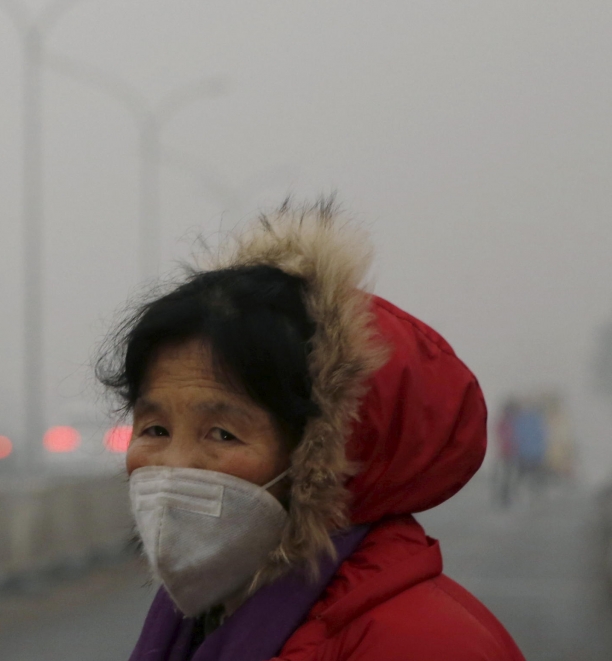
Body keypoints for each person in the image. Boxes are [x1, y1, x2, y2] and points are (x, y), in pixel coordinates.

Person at [98, 199, 524, 661]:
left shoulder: (427, 644)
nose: (175, 465)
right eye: (156, 428)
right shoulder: (196, 622)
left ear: (321, 455)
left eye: (222, 434)